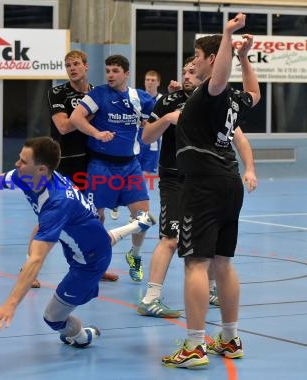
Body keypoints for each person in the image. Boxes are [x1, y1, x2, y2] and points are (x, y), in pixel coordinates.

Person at [0, 137, 156, 346]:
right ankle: (138, 224)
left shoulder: (56, 203)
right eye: (19, 158)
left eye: (23, 161)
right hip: (87, 237)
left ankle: (83, 336)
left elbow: (36, 259)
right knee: (94, 239)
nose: (17, 164)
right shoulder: (28, 177)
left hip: (89, 265)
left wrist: (10, 304)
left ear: (41, 169)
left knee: (53, 318)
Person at [162, 13, 261, 368]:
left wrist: (227, 37)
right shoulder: (232, 100)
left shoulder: (210, 93)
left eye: (195, 57)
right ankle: (230, 338)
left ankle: (193, 346)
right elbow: (254, 93)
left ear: (209, 60)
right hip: (229, 183)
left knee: (196, 264)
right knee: (223, 263)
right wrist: (246, 56)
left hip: (203, 186)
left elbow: (219, 77)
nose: (192, 63)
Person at [137, 58, 257, 318]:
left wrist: (249, 169)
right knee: (170, 238)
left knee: (211, 241)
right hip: (174, 178)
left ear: (208, 70)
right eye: (185, 72)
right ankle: (151, 297)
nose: (188, 75)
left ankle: (211, 289)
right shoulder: (169, 101)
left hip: (206, 180)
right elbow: (146, 137)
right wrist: (168, 119)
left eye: (193, 70)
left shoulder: (215, 101)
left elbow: (240, 138)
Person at [70, 54, 156, 282]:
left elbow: (155, 121)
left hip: (130, 167)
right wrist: (96, 133)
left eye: (115, 71)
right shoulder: (98, 94)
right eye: (107, 70)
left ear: (126, 73)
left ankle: (134, 256)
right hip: (101, 166)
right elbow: (76, 118)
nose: (110, 75)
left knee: (144, 217)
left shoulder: (141, 98)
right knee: (95, 218)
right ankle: (95, 262)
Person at [39, 49, 118, 286]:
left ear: (85, 66)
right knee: (52, 218)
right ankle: (30, 267)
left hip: (92, 162)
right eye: (68, 65)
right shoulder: (57, 92)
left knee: (97, 215)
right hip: (64, 162)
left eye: (75, 64)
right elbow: (63, 126)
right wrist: (87, 116)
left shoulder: (97, 92)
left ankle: (96, 266)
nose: (72, 68)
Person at [111, 69, 162, 221]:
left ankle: (136, 211)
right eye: (148, 79)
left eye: (153, 80)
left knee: (143, 178)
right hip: (135, 142)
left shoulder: (162, 100)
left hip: (152, 145)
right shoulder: (136, 97)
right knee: (127, 175)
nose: (150, 82)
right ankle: (116, 201)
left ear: (158, 83)